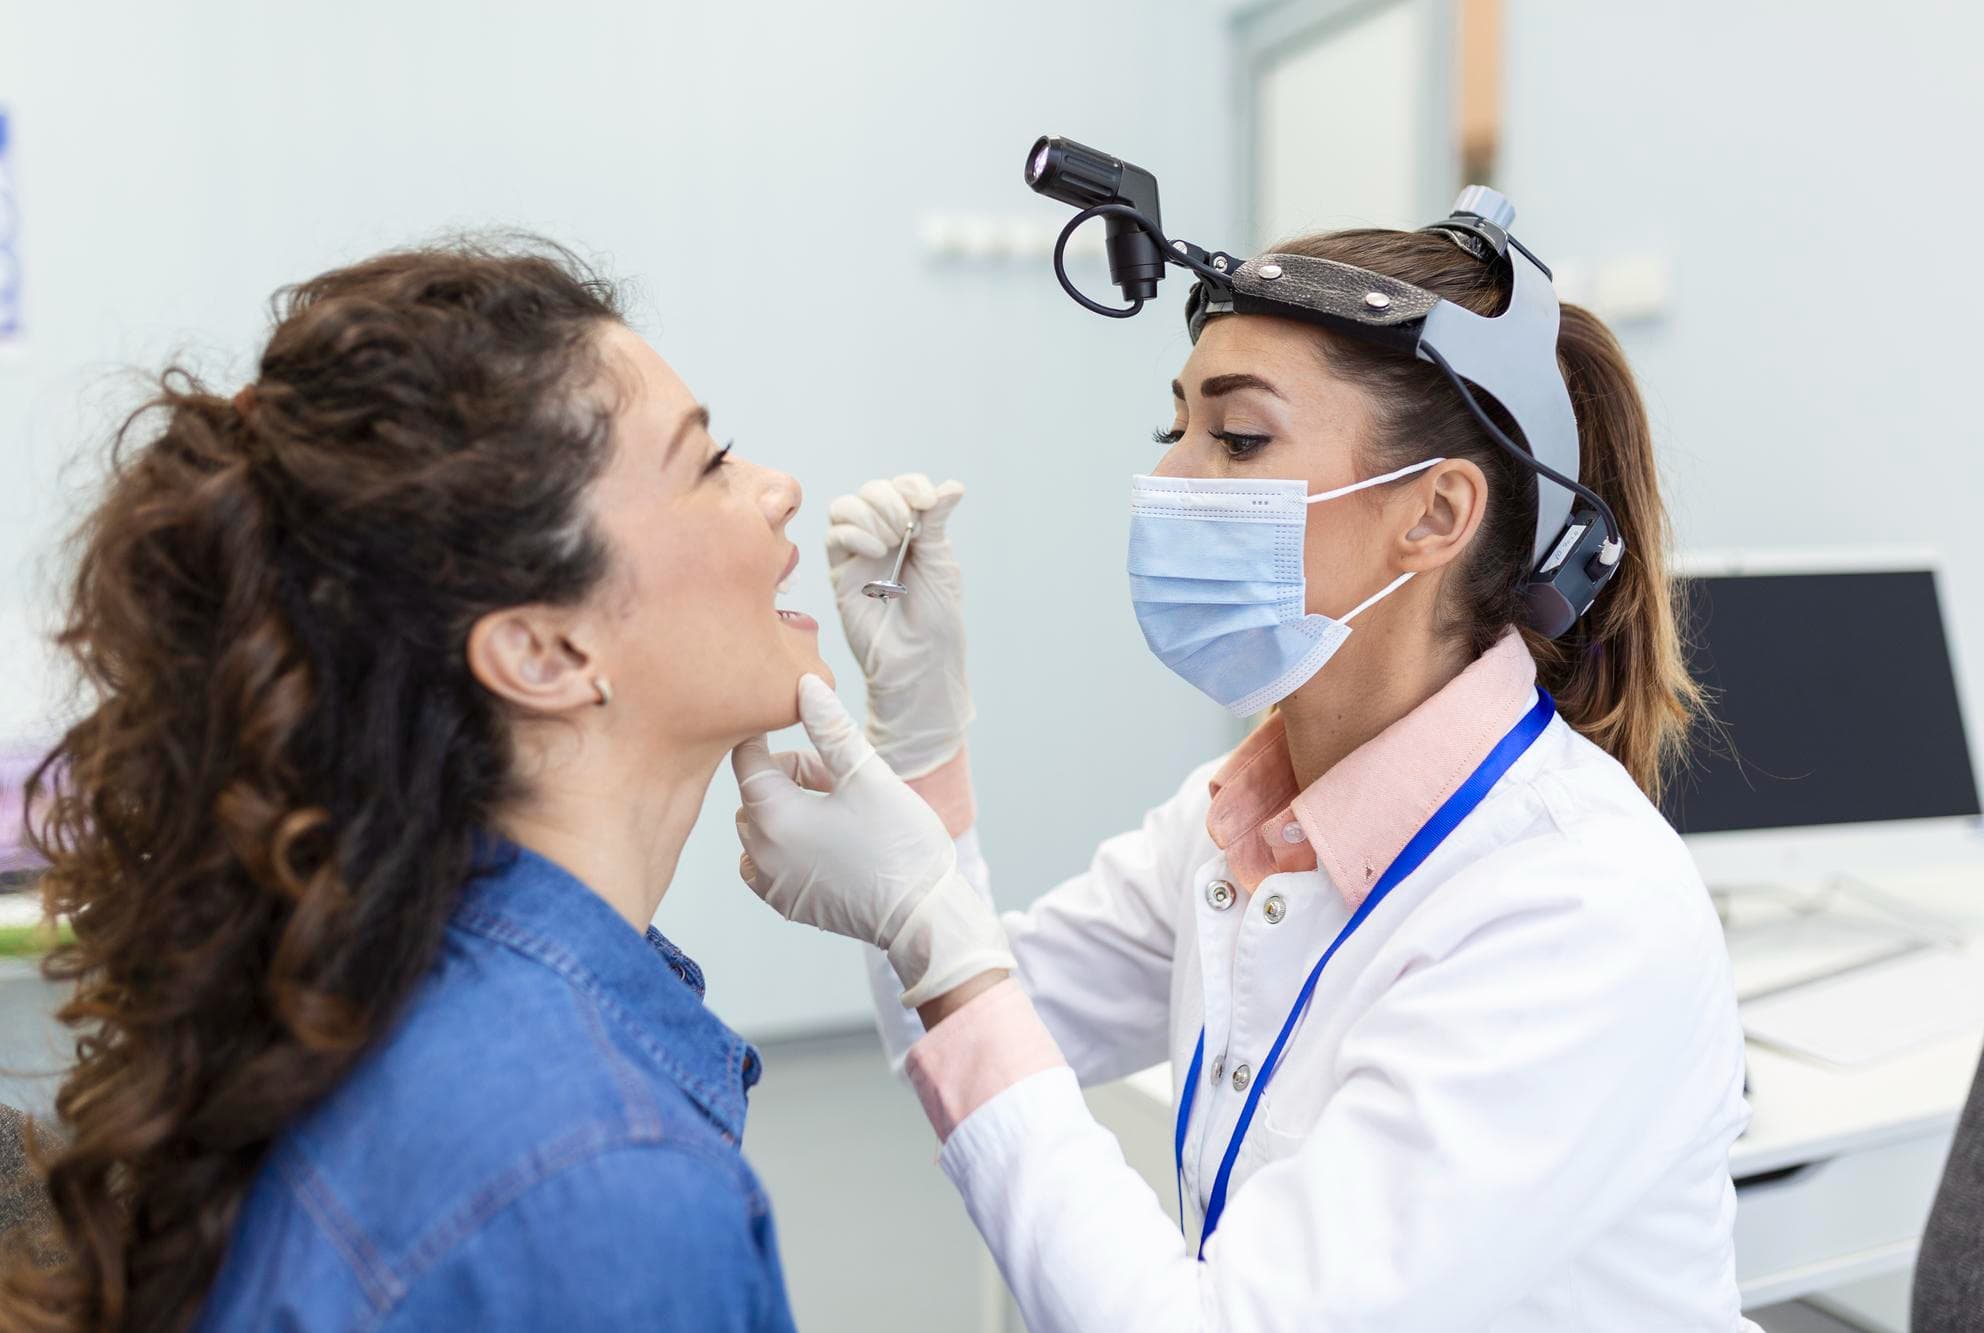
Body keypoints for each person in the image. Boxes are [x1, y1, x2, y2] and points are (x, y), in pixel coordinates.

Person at [734, 225, 1757, 1329]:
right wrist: (922, 746)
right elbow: (967, 1019)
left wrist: (928, 916)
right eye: (1172, 427)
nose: (1167, 479)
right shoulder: (1249, 816)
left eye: (1236, 438)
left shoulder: (1574, 908)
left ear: (1435, 514)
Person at [0, 240, 817, 1332]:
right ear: (544, 652)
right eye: (711, 463)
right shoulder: (598, 1179)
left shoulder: (365, 982)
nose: (780, 491)